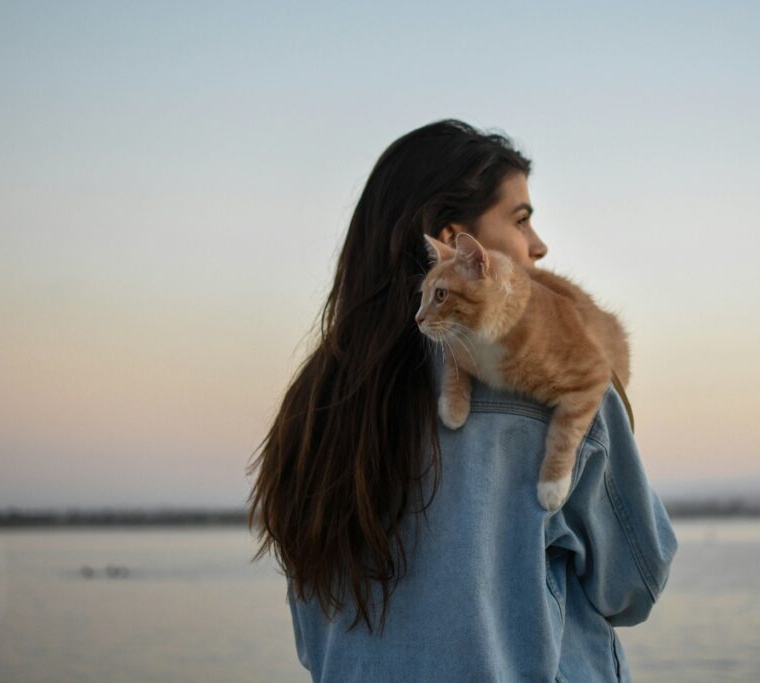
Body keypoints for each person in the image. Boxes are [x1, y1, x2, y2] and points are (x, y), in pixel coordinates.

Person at [248, 119, 677, 682]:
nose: (539, 246)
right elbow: (633, 586)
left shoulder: (315, 405)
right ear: (455, 245)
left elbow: (314, 637)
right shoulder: (554, 383)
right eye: (521, 219)